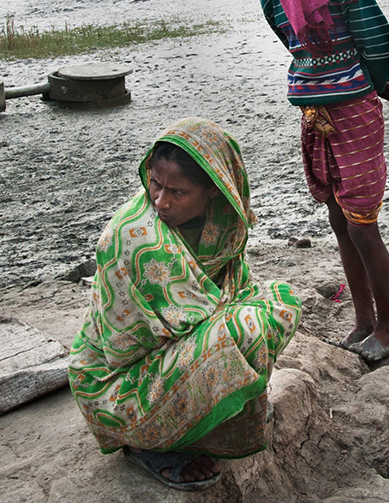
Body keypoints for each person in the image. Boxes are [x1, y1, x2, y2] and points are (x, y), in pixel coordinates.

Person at [67, 118, 303, 491]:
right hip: (120, 381)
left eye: (176, 191)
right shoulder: (137, 236)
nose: (160, 201)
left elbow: (236, 292)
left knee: (281, 305)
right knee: (244, 330)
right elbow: (138, 343)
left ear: (214, 190)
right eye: (155, 185)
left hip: (169, 359)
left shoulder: (221, 226)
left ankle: (200, 422)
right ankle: (148, 443)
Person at [257, 0, 389, 363]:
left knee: (363, 223)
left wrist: (374, 84)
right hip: (315, 115)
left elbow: (378, 41)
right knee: (338, 218)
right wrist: (327, 80)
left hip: (355, 113)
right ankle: (362, 320)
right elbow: (295, 46)